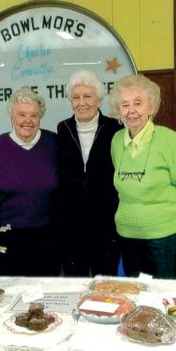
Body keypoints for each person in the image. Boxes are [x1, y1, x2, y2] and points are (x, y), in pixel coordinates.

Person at [109, 74, 176, 279]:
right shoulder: (116, 141)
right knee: (137, 300)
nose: (131, 110)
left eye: (138, 103)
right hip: (128, 238)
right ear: (119, 111)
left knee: (164, 300)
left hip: (165, 240)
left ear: (150, 108)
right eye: (125, 105)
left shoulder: (169, 140)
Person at [0, 87, 59, 276]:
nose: (28, 120)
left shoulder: (54, 143)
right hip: (7, 238)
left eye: (34, 115)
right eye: (22, 114)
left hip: (48, 237)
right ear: (11, 117)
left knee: (46, 298)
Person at [56, 70, 122, 277]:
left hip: (106, 222)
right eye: (76, 97)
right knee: (74, 282)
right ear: (70, 102)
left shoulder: (114, 129)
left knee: (106, 282)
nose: (81, 102)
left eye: (87, 96)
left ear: (99, 100)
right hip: (71, 224)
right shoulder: (63, 128)